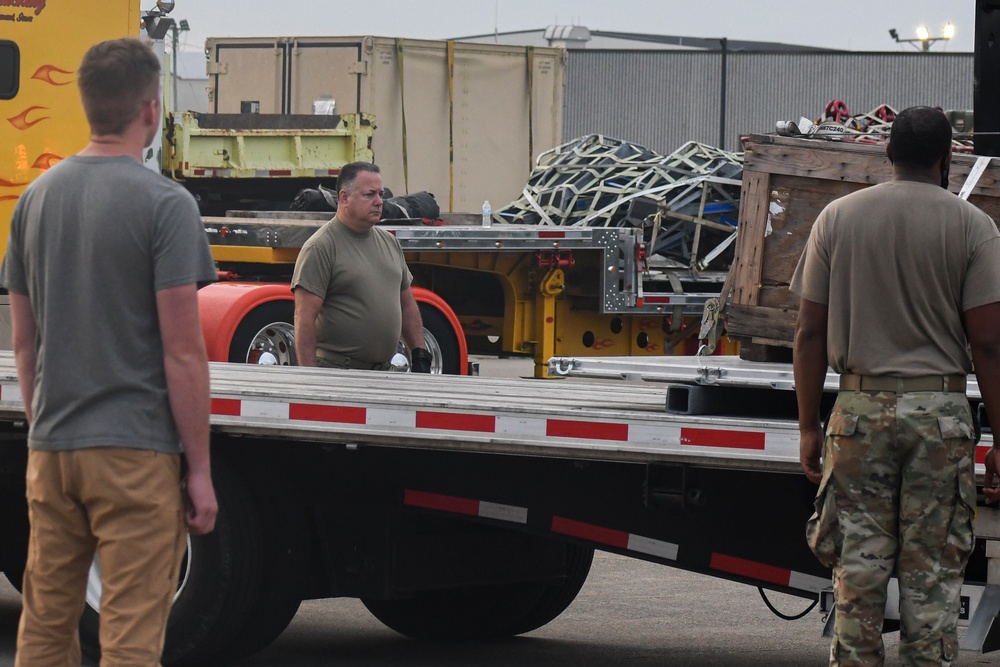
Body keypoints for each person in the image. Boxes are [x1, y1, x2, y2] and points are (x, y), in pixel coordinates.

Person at [0, 38, 219, 666]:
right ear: (151, 110)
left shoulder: (35, 199)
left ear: (87, 104)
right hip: (134, 451)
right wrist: (199, 471)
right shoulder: (167, 205)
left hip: (53, 450)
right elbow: (183, 353)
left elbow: (24, 339)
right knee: (130, 633)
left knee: (44, 624)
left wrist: (44, 430)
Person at [791, 105, 1000, 667]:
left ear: (887, 154)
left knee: (858, 568)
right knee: (930, 573)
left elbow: (809, 332)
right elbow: (988, 344)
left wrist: (809, 426)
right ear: (947, 157)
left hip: (858, 412)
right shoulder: (972, 225)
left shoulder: (837, 218)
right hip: (940, 415)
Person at [291, 161, 432, 372]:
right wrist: (310, 379)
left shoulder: (390, 243)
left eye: (381, 194)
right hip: (338, 373)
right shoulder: (322, 247)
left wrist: (419, 353)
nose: (378, 202)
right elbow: (304, 318)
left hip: (383, 374)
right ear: (344, 198)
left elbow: (407, 305)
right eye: (369, 195)